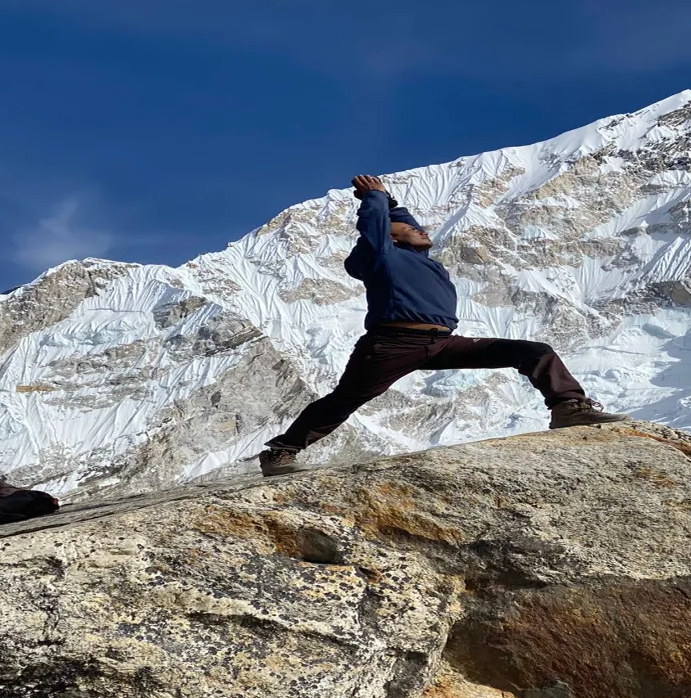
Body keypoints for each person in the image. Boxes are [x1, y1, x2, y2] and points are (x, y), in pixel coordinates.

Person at [259, 175, 627, 476]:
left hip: (442, 341)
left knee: (534, 352)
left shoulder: (419, 257)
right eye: (407, 228)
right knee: (344, 401)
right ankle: (280, 452)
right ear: (389, 234)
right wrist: (373, 199)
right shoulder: (380, 256)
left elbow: (409, 227)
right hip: (391, 344)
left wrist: (392, 204)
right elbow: (373, 228)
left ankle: (568, 408)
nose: (421, 231)